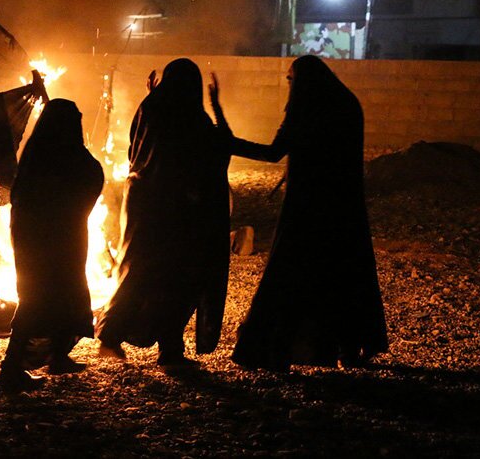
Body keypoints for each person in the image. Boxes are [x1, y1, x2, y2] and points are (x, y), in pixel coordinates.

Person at [223, 55, 388, 371]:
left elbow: (273, 153)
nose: (289, 85)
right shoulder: (347, 103)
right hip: (343, 209)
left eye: (291, 79)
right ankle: (349, 347)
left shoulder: (305, 107)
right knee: (342, 276)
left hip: (306, 209)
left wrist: (228, 142)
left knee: (289, 279)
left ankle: (277, 351)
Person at [96, 58, 232, 367]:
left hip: (141, 200)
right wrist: (216, 106)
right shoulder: (192, 116)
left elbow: (137, 148)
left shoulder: (150, 106)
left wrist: (153, 94)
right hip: (174, 207)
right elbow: (219, 146)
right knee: (175, 278)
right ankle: (156, 346)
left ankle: (138, 341)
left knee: (137, 270)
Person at [0, 99, 104, 394]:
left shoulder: (35, 157)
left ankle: (58, 356)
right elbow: (89, 181)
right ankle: (10, 372)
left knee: (64, 294)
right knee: (37, 300)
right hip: (56, 241)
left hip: (39, 239)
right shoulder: (70, 158)